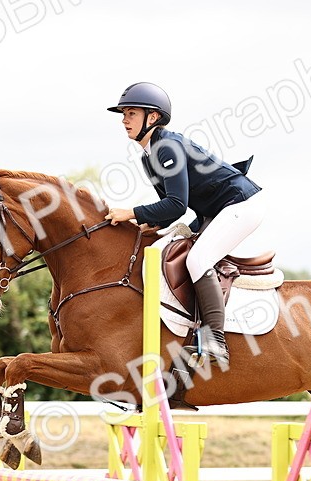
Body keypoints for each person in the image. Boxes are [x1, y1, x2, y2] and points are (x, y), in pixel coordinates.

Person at [105, 82, 264, 369]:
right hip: (215, 211)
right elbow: (168, 211)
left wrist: (130, 212)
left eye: (131, 113)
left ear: (153, 117)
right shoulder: (149, 155)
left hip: (240, 205)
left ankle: (216, 340)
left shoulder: (167, 147)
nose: (124, 120)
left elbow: (177, 205)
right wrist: (146, 225)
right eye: (123, 114)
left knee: (198, 259)